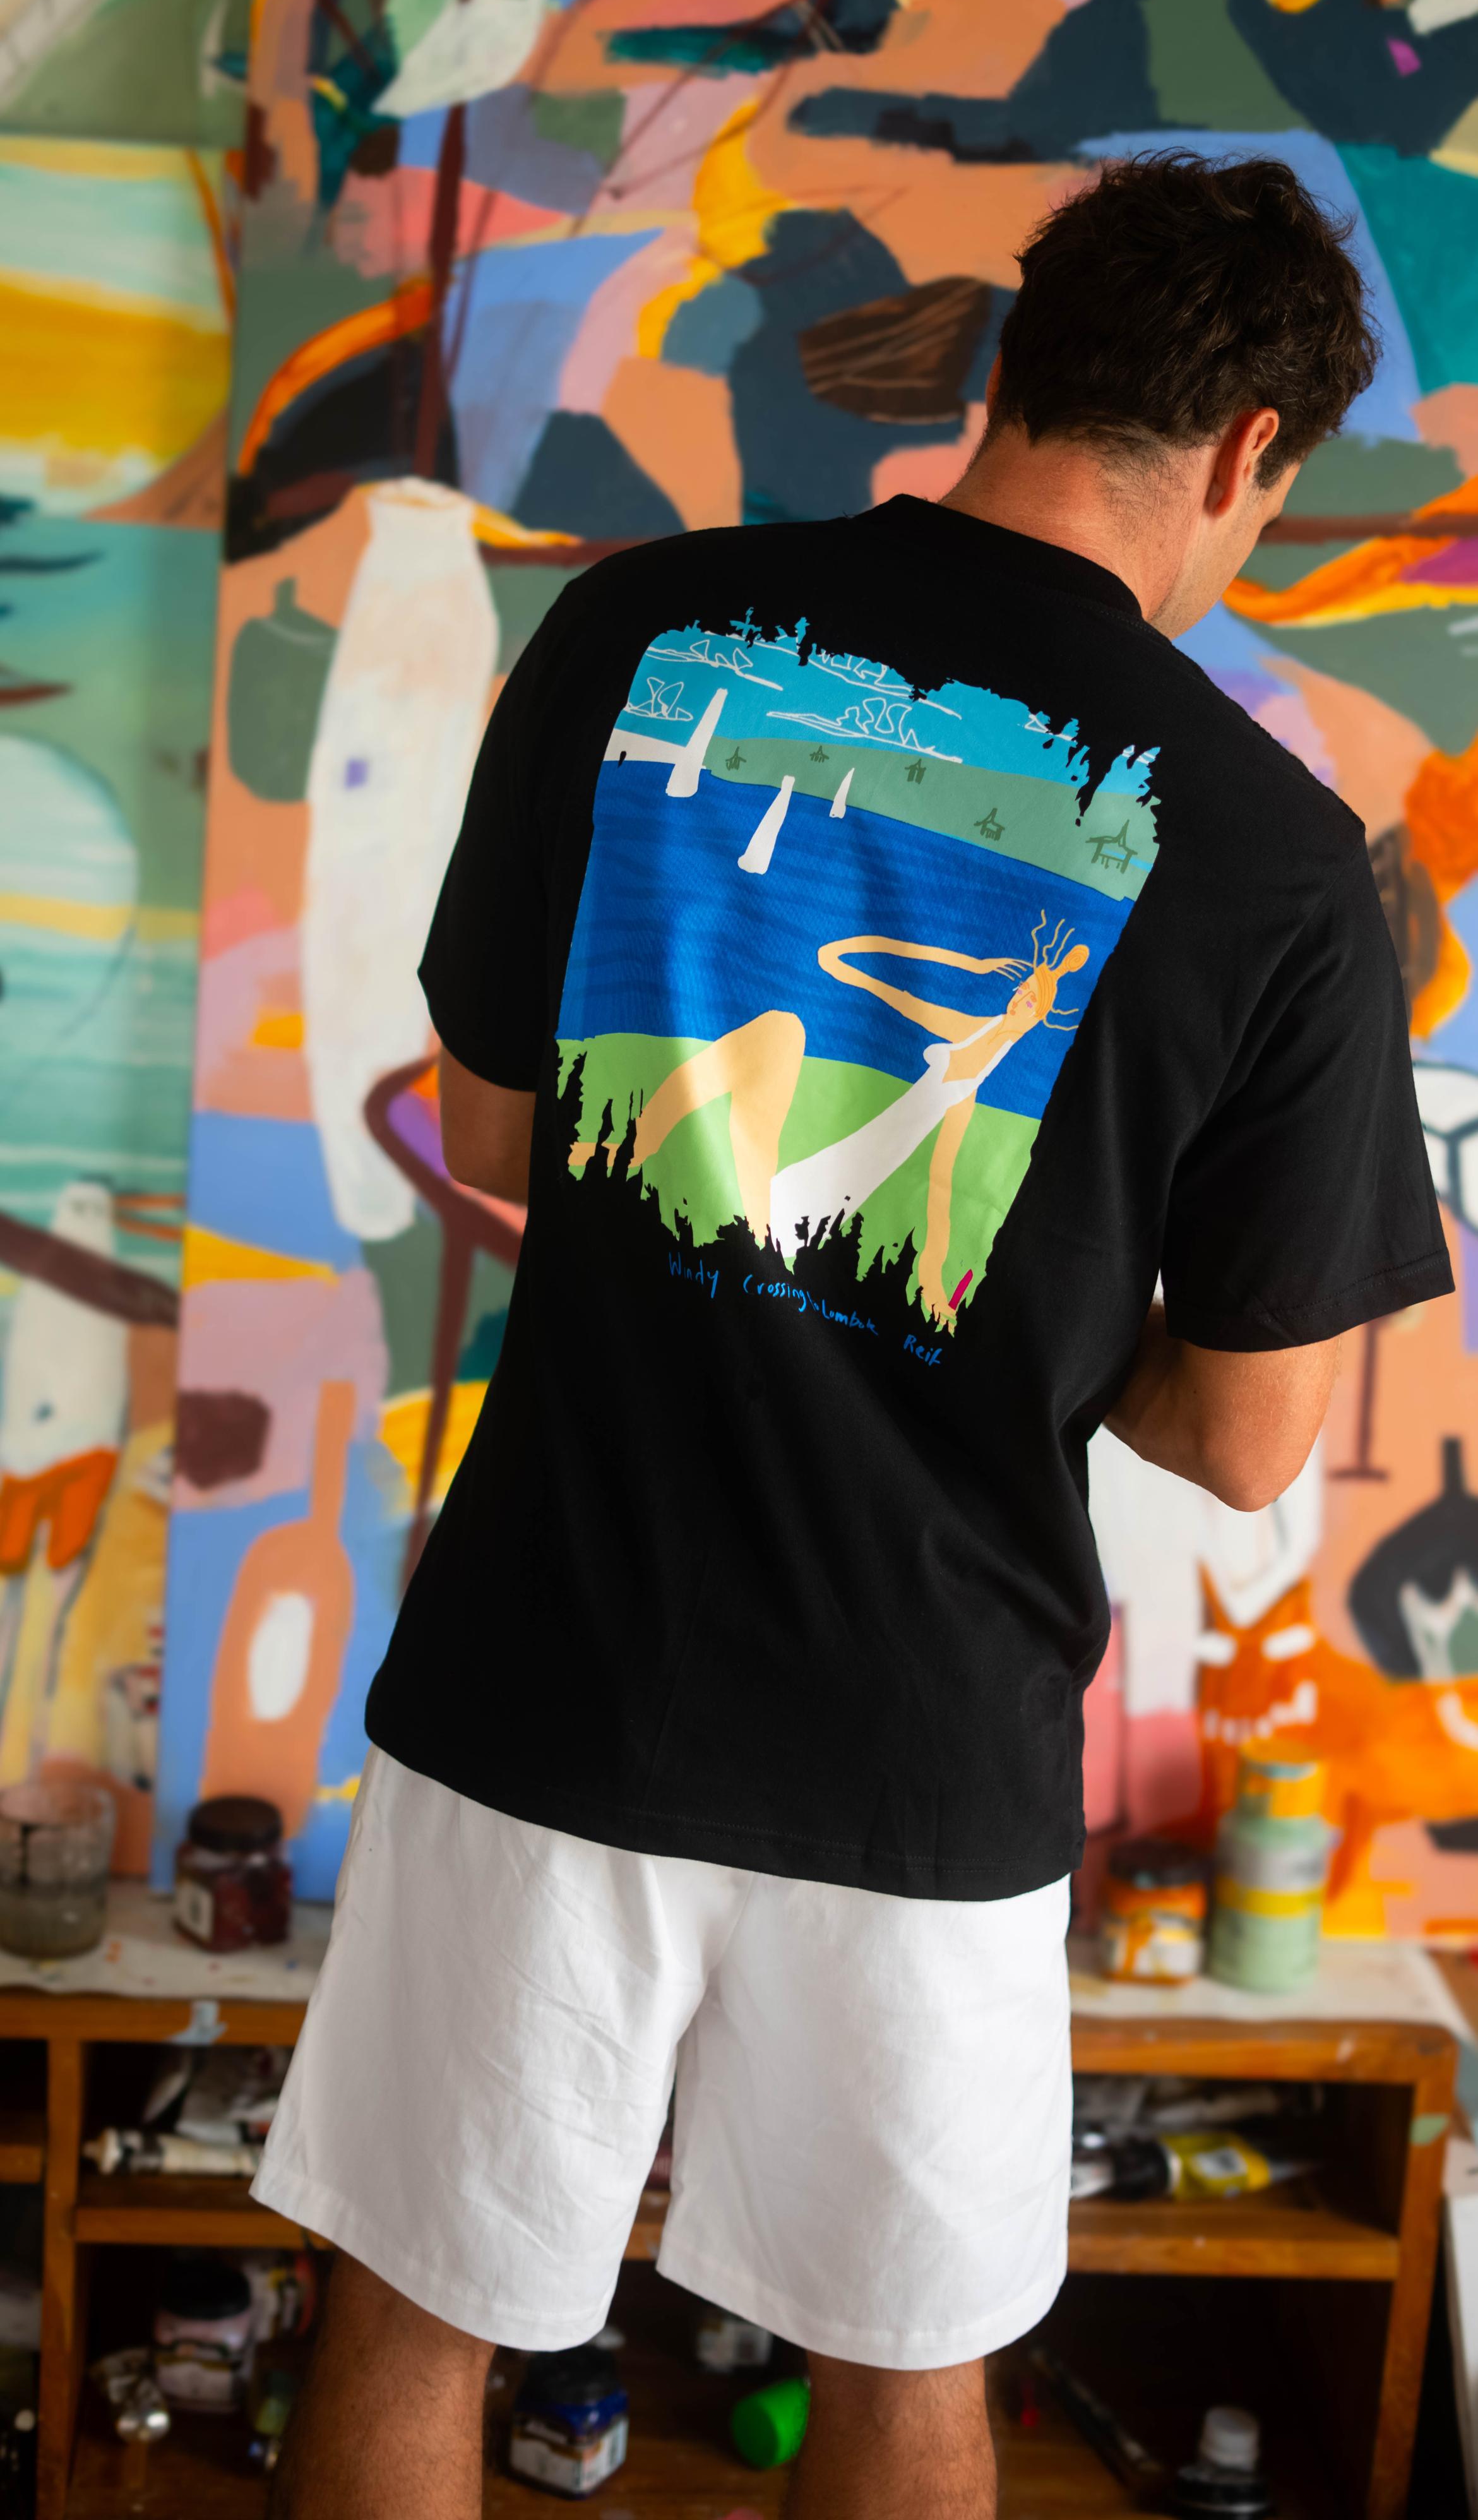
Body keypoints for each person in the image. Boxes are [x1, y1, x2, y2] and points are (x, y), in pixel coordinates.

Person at [258, 153, 1451, 2518]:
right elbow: (1249, 1437)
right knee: (904, 2373)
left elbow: (491, 1125)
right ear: (1247, 453)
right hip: (924, 1735)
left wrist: (738, 1181)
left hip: (552, 1667)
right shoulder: (1275, 854)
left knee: (420, 2310)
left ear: (1019, 360)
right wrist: (1033, 1299)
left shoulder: (642, 633)